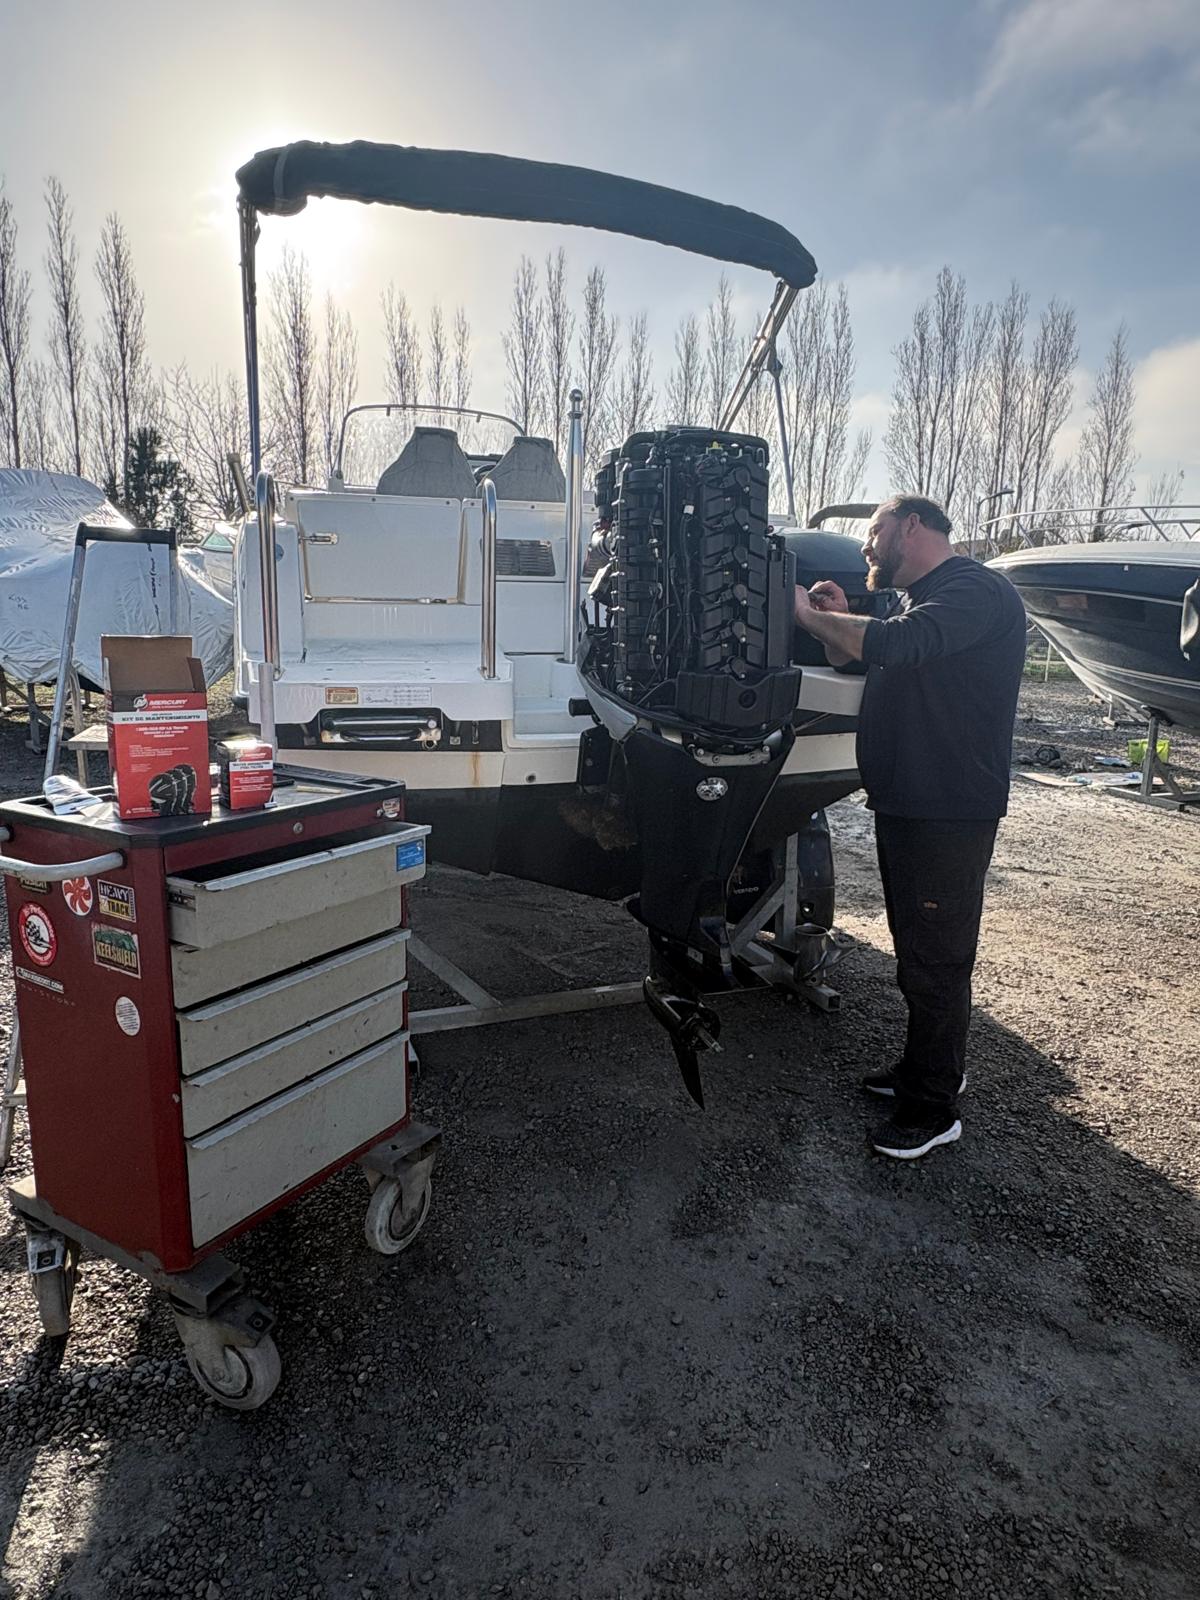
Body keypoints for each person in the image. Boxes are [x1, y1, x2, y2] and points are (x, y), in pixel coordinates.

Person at [792, 494, 1027, 1161]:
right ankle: (923, 1071)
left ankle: (934, 1108)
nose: (867, 546)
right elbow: (862, 657)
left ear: (913, 527)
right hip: (908, 804)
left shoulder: (976, 591)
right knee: (917, 951)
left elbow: (903, 644)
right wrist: (834, 621)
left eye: (875, 531)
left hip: (949, 811)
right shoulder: (914, 600)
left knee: (937, 962)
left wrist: (808, 614)